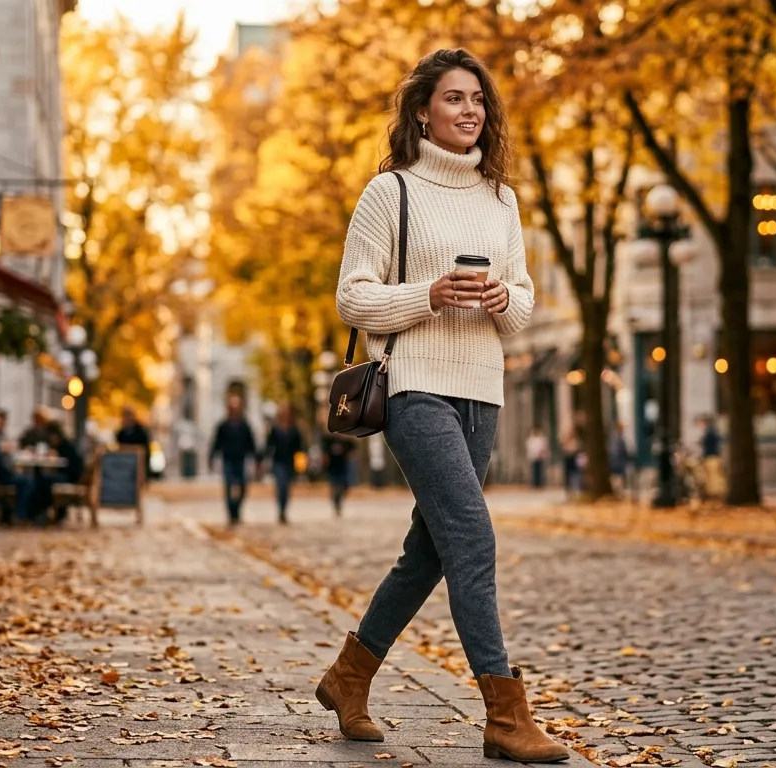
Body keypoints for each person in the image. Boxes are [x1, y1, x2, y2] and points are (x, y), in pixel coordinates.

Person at [314, 49, 568, 764]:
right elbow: (353, 298)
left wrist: (502, 298)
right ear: (422, 112)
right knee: (472, 536)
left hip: (482, 386)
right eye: (455, 98)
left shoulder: (501, 199)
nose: (470, 111)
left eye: (478, 100)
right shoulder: (389, 191)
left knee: (430, 549)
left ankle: (349, 676)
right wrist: (428, 294)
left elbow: (523, 302)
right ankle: (505, 713)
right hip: (414, 383)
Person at [210, 395, 259, 525]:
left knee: (242, 486)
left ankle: (237, 509)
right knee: (228, 485)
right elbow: (216, 443)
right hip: (228, 459)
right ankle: (231, 513)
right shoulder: (223, 425)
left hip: (241, 460)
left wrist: (256, 458)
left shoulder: (244, 425)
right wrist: (212, 457)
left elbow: (251, 443)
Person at [264, 404, 305, 524]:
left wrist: (301, 465)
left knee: (286, 487)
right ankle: (280, 509)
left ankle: (283, 509)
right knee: (281, 485)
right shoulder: (275, 429)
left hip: (290, 462)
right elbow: (269, 445)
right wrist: (264, 458)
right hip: (278, 461)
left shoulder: (294, 430)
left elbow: (300, 448)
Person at [322, 427, 356, 516]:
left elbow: (352, 450)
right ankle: (336, 503)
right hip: (332, 466)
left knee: (343, 486)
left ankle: (339, 500)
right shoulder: (328, 440)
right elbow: (324, 452)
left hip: (343, 466)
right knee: (335, 485)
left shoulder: (346, 441)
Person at [697, 415, 726, 500]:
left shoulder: (709, 433)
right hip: (713, 456)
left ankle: (714, 494)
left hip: (711, 457)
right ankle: (714, 494)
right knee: (713, 476)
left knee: (712, 477)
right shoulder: (713, 432)